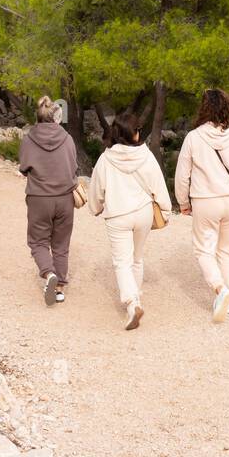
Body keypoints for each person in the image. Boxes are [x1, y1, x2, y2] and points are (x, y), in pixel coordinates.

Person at [174, 89, 229, 323]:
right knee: (226, 251)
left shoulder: (193, 137)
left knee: (203, 249)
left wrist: (183, 202)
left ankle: (220, 290)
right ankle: (227, 303)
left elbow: (182, 176)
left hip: (204, 201)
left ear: (204, 108)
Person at [87, 111, 172, 331]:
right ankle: (137, 299)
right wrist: (166, 210)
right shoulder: (146, 156)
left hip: (118, 214)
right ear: (133, 134)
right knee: (137, 258)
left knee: (121, 262)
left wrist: (95, 208)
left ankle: (132, 303)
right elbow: (158, 185)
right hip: (143, 213)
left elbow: (97, 188)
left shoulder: (106, 158)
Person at [18, 96, 78, 306]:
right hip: (64, 199)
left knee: (38, 241)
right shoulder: (68, 138)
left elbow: (24, 167)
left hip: (39, 198)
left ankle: (48, 273)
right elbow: (74, 167)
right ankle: (60, 288)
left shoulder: (28, 139)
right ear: (56, 118)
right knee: (61, 244)